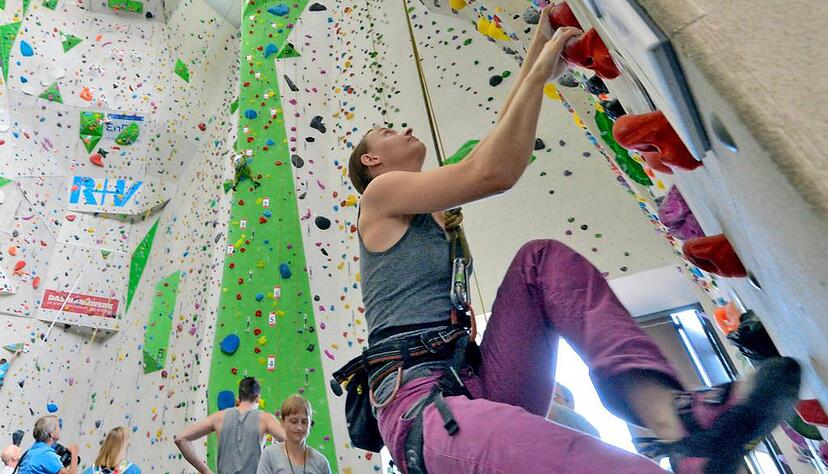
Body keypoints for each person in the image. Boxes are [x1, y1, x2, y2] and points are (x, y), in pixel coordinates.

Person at [342, 3, 802, 473]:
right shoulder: (379, 197)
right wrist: (542, 69)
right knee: (585, 461)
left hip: (474, 377)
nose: (404, 129)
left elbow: (495, 141)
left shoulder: (430, 208)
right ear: (372, 163)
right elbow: (493, 171)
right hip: (421, 405)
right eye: (387, 132)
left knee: (538, 262)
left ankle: (679, 421)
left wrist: (538, 54)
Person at [175, 377, 286, 474]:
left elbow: (180, 439)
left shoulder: (218, 418)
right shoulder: (265, 419)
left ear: (238, 398)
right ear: (258, 397)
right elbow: (291, 440)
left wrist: (205, 471)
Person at [256, 395, 332, 474]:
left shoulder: (321, 463)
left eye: (304, 422)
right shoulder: (270, 455)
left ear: (310, 425)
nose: (299, 427)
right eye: (294, 421)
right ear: (282, 422)